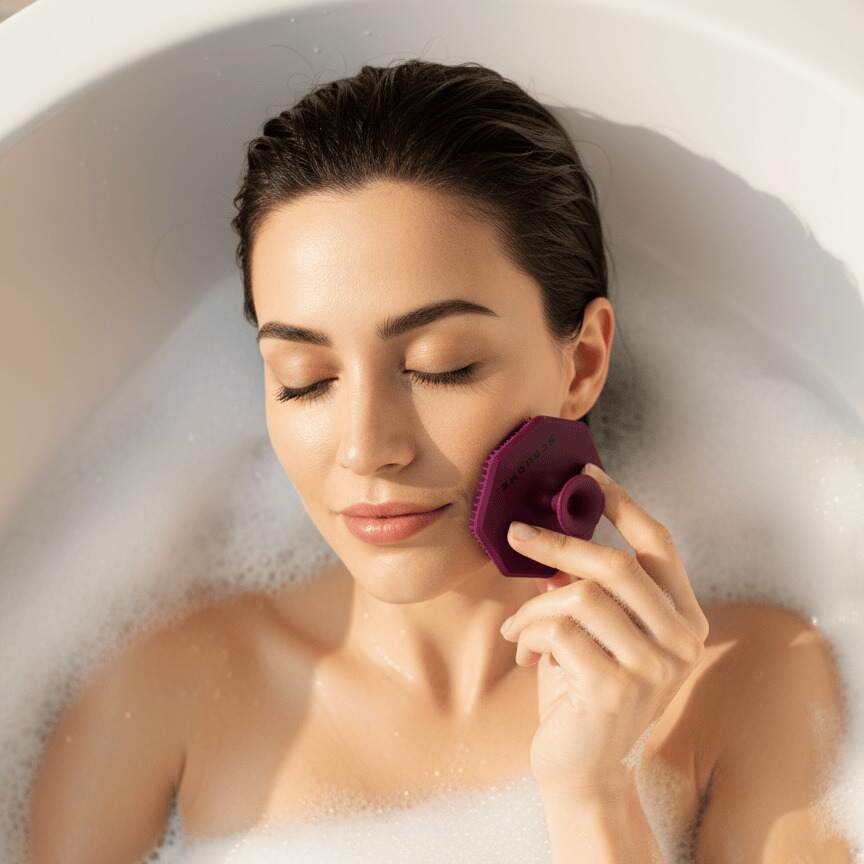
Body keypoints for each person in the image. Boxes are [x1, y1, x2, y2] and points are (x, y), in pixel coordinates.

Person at [27, 59, 853, 863]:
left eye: (441, 365)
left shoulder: (748, 680)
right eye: (304, 379)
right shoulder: (161, 694)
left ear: (583, 363)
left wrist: (595, 797)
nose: (364, 447)